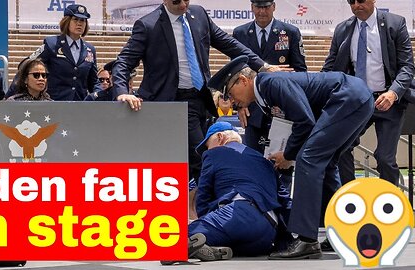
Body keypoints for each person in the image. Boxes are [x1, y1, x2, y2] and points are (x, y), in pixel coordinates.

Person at [208, 55, 374, 259]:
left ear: (243, 80)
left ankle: (307, 240)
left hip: (347, 97)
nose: (232, 101)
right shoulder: (264, 95)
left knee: (308, 159)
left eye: (230, 94)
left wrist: (288, 155)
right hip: (354, 97)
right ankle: (342, 231)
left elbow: (304, 121)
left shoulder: (271, 83)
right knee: (326, 164)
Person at [111, 0, 280, 194]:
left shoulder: (198, 14)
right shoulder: (148, 25)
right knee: (204, 158)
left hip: (202, 99)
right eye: (176, 2)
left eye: (186, 0)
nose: (183, 5)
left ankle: (198, 205)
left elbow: (229, 44)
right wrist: (122, 91)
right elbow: (123, 61)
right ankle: (213, 206)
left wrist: (262, 66)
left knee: (198, 158)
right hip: (172, 103)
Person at [321, 0, 414, 187]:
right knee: (342, 148)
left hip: (388, 100)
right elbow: (330, 68)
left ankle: (388, 202)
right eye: (351, 1)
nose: (356, 5)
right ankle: (350, 197)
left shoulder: (395, 24)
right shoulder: (342, 29)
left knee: (385, 158)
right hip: (357, 101)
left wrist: (393, 93)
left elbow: (407, 66)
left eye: (361, 0)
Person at [188, 121, 291, 260]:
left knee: (175, 237)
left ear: (220, 137)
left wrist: (204, 222)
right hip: (268, 230)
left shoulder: (214, 154)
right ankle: (215, 248)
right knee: (229, 238)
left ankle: (185, 245)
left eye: (208, 146)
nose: (207, 151)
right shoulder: (264, 160)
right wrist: (287, 240)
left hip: (239, 215)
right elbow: (285, 201)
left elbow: (203, 196)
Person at [233, 0, 306, 153]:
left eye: (266, 7)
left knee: (281, 162)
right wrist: (239, 106)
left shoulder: (290, 32)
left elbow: (300, 71)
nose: (262, 12)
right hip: (252, 111)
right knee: (254, 161)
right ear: (252, 7)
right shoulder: (240, 33)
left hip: (282, 108)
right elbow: (235, 75)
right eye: (258, 7)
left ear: (274, 6)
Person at [30, 4, 99, 101]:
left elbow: (94, 81)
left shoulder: (90, 50)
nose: (79, 23)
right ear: (67, 21)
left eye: (83, 21)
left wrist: (98, 95)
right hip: (54, 105)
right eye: (75, 19)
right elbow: (28, 64)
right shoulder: (52, 44)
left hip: (80, 106)